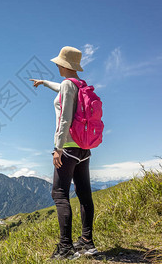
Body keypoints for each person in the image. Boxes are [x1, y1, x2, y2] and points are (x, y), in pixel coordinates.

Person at [30, 46, 98, 260]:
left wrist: (57, 148)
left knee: (59, 194)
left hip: (67, 147)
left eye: (58, 63)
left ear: (63, 64)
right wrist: (42, 82)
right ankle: (88, 243)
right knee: (84, 194)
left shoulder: (68, 85)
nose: (56, 65)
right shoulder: (79, 84)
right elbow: (60, 88)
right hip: (84, 148)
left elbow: (65, 119)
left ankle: (66, 247)